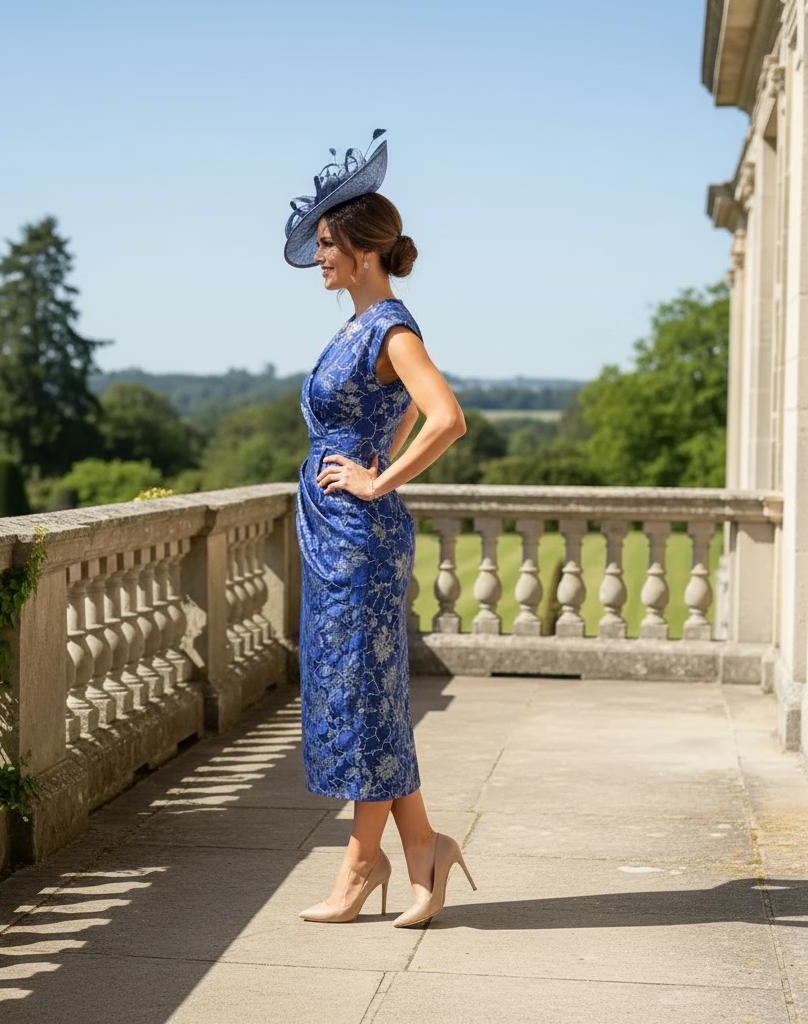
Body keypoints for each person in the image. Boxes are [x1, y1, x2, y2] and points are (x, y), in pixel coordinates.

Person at [284, 129, 478, 927]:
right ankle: (422, 847)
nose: (319, 257)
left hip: (358, 536)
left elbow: (448, 417)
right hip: (336, 534)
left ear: (363, 251)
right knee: (362, 696)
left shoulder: (392, 327)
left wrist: (377, 477)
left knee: (363, 698)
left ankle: (365, 864)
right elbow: (391, 416)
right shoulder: (354, 327)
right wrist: (373, 457)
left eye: (328, 244)